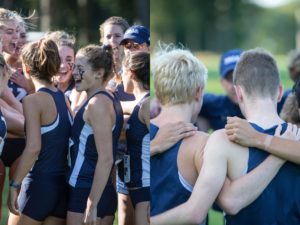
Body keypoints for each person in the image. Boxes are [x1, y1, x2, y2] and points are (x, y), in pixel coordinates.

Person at [151, 48, 300, 225]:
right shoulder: (294, 137)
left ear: (238, 93)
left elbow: (226, 203)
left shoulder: (223, 140)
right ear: (279, 91)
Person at [7, 38, 72, 225]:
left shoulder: (32, 101)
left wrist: (14, 185)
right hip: (61, 188)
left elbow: (34, 147)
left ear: (26, 68)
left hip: (38, 185)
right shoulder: (63, 98)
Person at [67, 44, 123, 225]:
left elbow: (106, 159)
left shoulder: (97, 104)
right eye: (74, 67)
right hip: (99, 189)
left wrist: (91, 204)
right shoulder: (106, 97)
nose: (74, 72)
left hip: (87, 190)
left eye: (80, 68)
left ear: (99, 73)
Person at [121, 51, 150, 225]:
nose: (121, 78)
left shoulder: (146, 105)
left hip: (146, 191)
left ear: (131, 73)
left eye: (123, 73)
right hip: (137, 189)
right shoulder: (140, 104)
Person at [46, 31, 76, 102]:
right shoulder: (43, 87)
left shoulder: (79, 90)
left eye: (69, 60)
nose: (62, 65)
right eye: (58, 59)